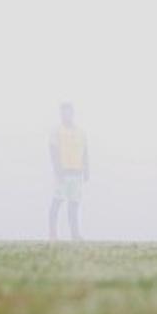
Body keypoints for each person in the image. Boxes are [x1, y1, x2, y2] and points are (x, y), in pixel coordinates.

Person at [49, 102, 89, 241]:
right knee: (57, 202)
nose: (66, 115)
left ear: (72, 113)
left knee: (74, 205)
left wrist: (86, 170)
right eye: (63, 112)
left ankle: (75, 234)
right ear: (61, 114)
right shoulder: (56, 131)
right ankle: (53, 234)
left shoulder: (80, 132)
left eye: (68, 112)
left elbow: (85, 152)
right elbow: (53, 151)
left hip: (76, 172)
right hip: (62, 173)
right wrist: (57, 170)